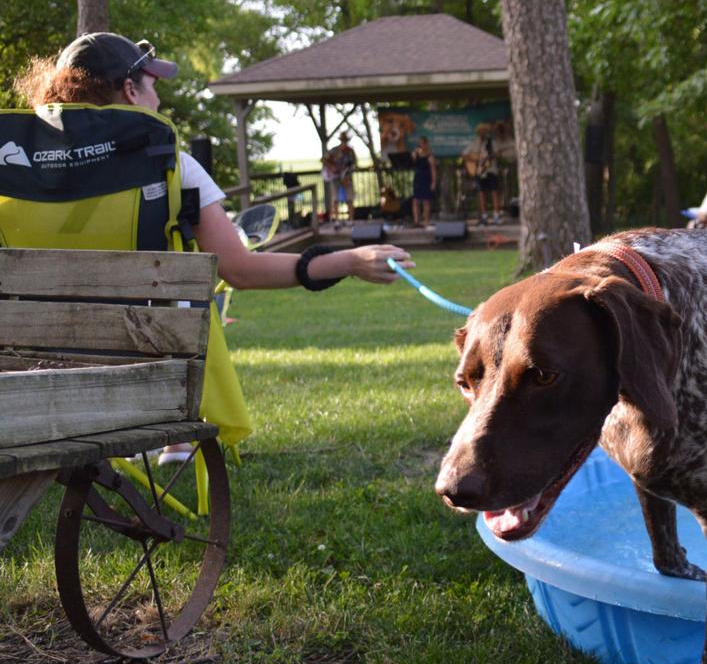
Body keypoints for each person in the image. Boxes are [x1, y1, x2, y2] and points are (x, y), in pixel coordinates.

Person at [12, 33, 413, 462]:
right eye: (153, 86)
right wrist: (349, 261)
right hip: (143, 370)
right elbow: (239, 270)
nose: (159, 101)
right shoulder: (170, 166)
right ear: (131, 89)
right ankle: (175, 439)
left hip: (28, 371)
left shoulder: (11, 172)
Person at [463, 123, 502, 224]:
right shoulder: (474, 142)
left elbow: (498, 153)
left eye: (484, 131)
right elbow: (465, 154)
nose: (482, 133)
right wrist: (475, 160)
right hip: (479, 171)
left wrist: (490, 157)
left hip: (491, 170)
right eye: (481, 131)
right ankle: (484, 216)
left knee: (494, 192)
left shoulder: (491, 142)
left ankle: (496, 216)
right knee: (482, 193)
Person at [327, 131, 358, 224]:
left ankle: (351, 220)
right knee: (335, 198)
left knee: (350, 198)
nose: (344, 142)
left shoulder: (350, 151)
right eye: (343, 140)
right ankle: (336, 220)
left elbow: (354, 163)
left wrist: (349, 171)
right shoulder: (334, 150)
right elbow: (324, 160)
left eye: (345, 140)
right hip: (335, 177)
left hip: (347, 177)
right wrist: (332, 167)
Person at [411, 135, 437, 227]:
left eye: (423, 143)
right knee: (415, 201)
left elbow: (433, 171)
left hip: (426, 179)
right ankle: (416, 221)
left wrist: (433, 182)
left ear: (426, 144)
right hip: (417, 179)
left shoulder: (430, 156)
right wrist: (414, 154)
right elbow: (411, 162)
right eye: (420, 143)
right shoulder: (416, 154)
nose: (421, 145)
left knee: (426, 201)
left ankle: (426, 221)